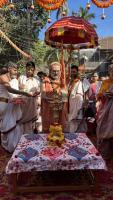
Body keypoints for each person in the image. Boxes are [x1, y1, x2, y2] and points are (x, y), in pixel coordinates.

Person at [0, 62, 32, 153]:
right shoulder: (3, 77)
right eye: (15, 69)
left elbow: (10, 94)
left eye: (16, 70)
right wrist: (24, 93)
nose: (16, 71)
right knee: (9, 124)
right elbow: (9, 89)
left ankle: (13, 145)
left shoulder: (11, 79)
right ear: (9, 68)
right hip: (3, 105)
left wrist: (17, 99)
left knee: (13, 123)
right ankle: (10, 146)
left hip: (7, 103)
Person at [41, 62, 68, 133]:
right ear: (50, 71)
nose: (56, 73)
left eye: (58, 71)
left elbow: (65, 97)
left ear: (60, 72)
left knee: (59, 132)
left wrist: (62, 100)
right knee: (48, 134)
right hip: (49, 111)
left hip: (60, 110)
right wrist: (51, 100)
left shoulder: (62, 82)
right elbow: (43, 95)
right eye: (54, 71)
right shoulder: (45, 81)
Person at [96, 63, 113, 160]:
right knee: (103, 130)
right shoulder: (105, 82)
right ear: (109, 72)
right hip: (106, 111)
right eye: (111, 71)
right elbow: (99, 95)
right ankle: (104, 156)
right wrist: (104, 94)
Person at [19, 61, 40, 134]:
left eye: (31, 70)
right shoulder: (22, 77)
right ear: (25, 69)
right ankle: (23, 136)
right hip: (24, 103)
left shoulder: (37, 79)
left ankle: (31, 135)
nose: (30, 71)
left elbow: (39, 90)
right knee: (24, 121)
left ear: (34, 70)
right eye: (28, 69)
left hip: (33, 102)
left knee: (32, 122)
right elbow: (20, 89)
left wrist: (37, 92)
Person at [68, 64, 90, 133]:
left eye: (74, 72)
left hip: (78, 107)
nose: (72, 73)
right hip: (70, 106)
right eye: (71, 72)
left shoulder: (82, 81)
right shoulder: (69, 82)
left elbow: (85, 94)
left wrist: (84, 104)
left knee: (77, 125)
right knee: (71, 124)